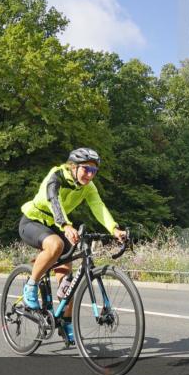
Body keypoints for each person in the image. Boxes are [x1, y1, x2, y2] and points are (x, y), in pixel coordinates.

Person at [18, 148, 126, 345]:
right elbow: (54, 201)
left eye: (94, 171)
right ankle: (30, 287)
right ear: (73, 167)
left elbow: (98, 206)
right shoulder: (56, 176)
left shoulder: (88, 186)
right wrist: (66, 225)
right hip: (34, 221)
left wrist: (114, 229)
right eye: (86, 169)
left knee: (68, 283)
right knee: (56, 244)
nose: (90, 175)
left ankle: (66, 324)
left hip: (58, 225)